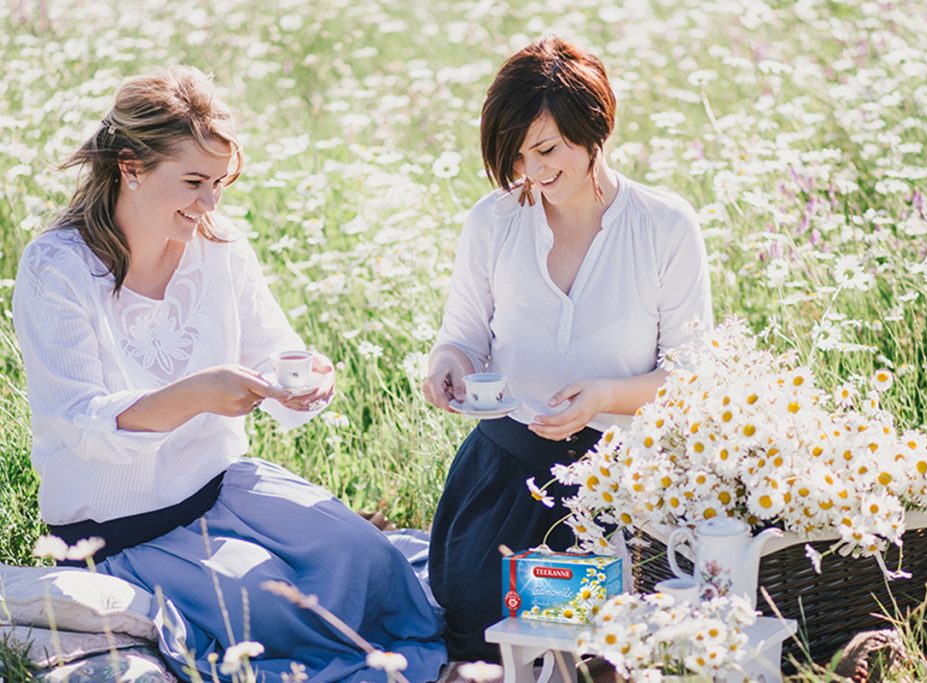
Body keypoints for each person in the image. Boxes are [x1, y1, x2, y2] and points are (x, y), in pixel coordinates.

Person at [12, 66, 447, 682]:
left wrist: (303, 382)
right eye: (193, 181)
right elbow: (80, 421)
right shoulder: (56, 267)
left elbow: (274, 350)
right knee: (279, 611)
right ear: (130, 167)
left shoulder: (219, 247)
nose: (210, 202)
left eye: (219, 182)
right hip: (121, 531)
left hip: (223, 486)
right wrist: (195, 396)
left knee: (371, 562)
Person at [422, 37, 714, 660]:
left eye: (547, 149)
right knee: (479, 634)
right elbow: (463, 337)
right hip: (505, 469)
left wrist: (605, 396)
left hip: (624, 482)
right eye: (518, 155)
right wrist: (446, 367)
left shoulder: (664, 225)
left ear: (595, 128)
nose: (531, 171)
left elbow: (692, 377)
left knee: (610, 645)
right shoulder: (493, 222)